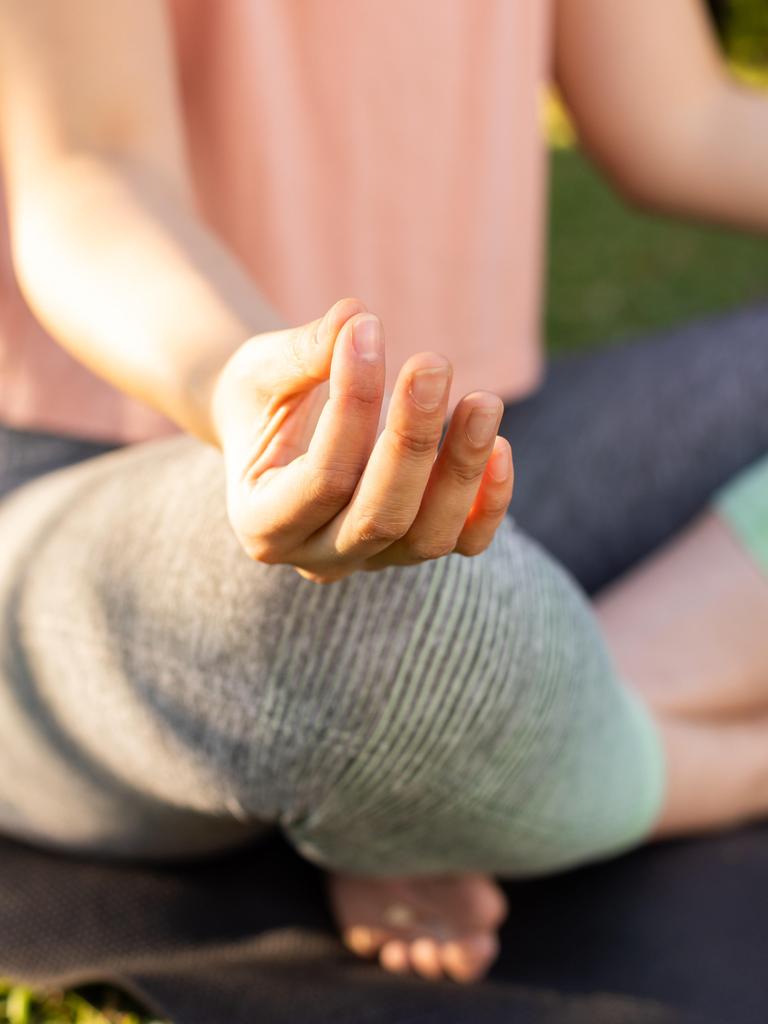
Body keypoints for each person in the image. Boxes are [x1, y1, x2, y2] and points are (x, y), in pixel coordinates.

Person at [1, 0, 768, 986]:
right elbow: (90, 167)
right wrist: (242, 391)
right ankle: (671, 758)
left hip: (466, 465)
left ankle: (525, 743)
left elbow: (679, 120)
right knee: (334, 629)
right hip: (101, 493)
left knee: (405, 619)